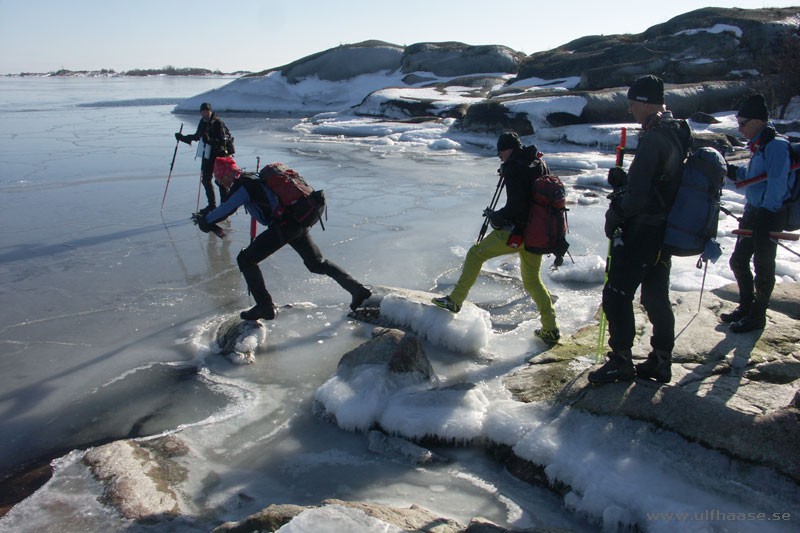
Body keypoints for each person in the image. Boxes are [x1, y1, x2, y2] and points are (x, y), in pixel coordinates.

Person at [588, 75, 692, 384]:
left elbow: (639, 195)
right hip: (664, 230)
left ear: (646, 102)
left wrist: (616, 210)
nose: (631, 110)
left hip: (642, 231)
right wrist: (626, 182)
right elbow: (658, 181)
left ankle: (620, 360)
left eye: (633, 104)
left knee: (617, 294)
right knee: (655, 296)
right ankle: (661, 360)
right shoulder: (676, 131)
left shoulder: (654, 137)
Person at [195, 156, 372, 321]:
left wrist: (206, 220)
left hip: (285, 225)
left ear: (226, 174)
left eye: (219, 179)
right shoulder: (252, 178)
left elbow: (227, 208)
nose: (220, 183)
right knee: (316, 263)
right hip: (295, 220)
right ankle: (358, 291)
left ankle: (264, 306)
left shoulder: (243, 185)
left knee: (246, 259)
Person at [431, 132, 560, 345]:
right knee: (533, 281)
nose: (499, 156)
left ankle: (455, 301)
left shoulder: (515, 168)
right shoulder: (537, 162)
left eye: (500, 152)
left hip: (517, 233)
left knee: (475, 254)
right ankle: (550, 328)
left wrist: (497, 216)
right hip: (537, 232)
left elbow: (517, 206)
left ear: (508, 149)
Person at [722, 94, 792, 333]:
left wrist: (767, 212)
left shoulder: (776, 146)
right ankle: (746, 306)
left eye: (742, 123)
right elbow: (756, 176)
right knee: (738, 260)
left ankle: (757, 316)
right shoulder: (760, 145)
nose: (739, 129)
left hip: (769, 214)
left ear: (758, 121)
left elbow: (777, 182)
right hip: (753, 212)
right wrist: (735, 172)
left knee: (763, 266)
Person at [175, 103, 231, 214]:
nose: (205, 113)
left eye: (207, 111)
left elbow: (223, 141)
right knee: (206, 179)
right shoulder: (202, 122)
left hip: (219, 155)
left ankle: (225, 205)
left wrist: (209, 140)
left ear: (210, 111)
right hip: (207, 155)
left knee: (220, 181)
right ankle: (212, 206)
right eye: (203, 111)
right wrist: (183, 138)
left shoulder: (217, 123)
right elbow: (197, 136)